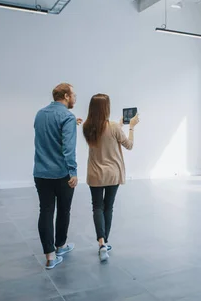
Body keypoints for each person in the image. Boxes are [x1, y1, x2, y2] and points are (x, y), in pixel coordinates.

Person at [82, 94, 139, 262]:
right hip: (113, 174)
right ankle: (105, 242)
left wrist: (119, 125)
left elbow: (104, 134)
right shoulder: (114, 128)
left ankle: (101, 243)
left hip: (95, 174)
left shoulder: (87, 127)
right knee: (108, 207)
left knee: (97, 207)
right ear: (106, 108)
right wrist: (131, 127)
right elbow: (129, 145)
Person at [33, 83, 82, 269]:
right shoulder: (66, 117)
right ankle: (60, 245)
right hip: (62, 174)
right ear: (66, 96)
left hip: (41, 173)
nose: (75, 98)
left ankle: (50, 256)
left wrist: (71, 123)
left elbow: (47, 136)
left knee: (45, 211)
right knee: (63, 210)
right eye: (74, 95)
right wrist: (73, 172)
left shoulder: (40, 114)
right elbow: (69, 149)